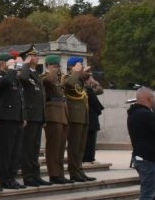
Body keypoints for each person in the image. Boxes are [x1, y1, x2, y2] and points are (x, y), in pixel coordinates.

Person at [0, 53, 26, 190]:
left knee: (15, 151)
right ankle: (5, 179)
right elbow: (3, 84)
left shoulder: (13, 77)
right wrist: (12, 69)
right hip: (6, 119)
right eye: (8, 63)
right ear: (1, 64)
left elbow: (20, 98)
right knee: (6, 151)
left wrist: (23, 116)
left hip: (16, 118)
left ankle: (12, 178)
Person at [16, 47, 48, 186]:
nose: (36, 58)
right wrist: (25, 64)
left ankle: (36, 174)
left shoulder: (36, 74)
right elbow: (22, 78)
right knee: (27, 147)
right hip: (29, 115)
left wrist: (43, 117)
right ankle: (28, 176)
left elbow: (41, 97)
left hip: (38, 115)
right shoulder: (24, 72)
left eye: (36, 55)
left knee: (35, 148)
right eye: (33, 55)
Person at [63, 57, 98, 183]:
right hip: (74, 117)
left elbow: (97, 89)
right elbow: (69, 84)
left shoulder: (80, 79)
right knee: (74, 146)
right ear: (72, 66)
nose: (82, 67)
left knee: (81, 147)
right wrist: (76, 72)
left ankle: (79, 169)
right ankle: (73, 172)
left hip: (83, 116)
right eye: (80, 65)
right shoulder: (67, 77)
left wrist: (88, 74)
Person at [41, 55, 70, 184]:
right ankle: (53, 174)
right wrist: (52, 72)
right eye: (54, 66)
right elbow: (49, 80)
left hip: (62, 114)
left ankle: (60, 174)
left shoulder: (58, 79)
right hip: (52, 115)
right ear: (47, 66)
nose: (57, 68)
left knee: (60, 147)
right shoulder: (45, 77)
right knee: (53, 147)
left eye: (58, 66)